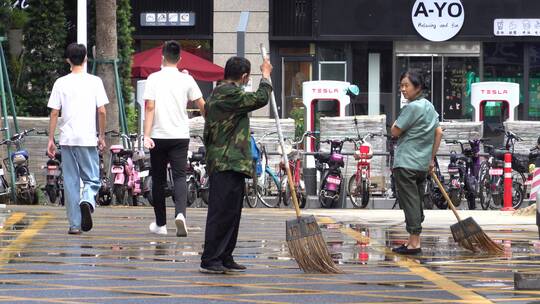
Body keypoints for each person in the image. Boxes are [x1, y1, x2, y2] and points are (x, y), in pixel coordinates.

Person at [200, 56, 273, 274]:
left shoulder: (224, 92)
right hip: (225, 162)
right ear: (244, 77)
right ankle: (211, 258)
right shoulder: (228, 94)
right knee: (221, 212)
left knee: (231, 213)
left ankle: (225, 255)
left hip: (232, 163)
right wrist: (266, 74)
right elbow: (260, 98)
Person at [143, 41, 205, 237]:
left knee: (159, 179)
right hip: (180, 135)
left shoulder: (153, 78)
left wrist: (146, 134)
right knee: (179, 176)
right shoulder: (187, 79)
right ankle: (181, 215)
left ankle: (161, 224)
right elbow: (201, 104)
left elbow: (150, 108)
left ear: (162, 56)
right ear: (180, 59)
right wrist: (210, 122)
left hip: (158, 136)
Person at [47, 43, 108, 235]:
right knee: (92, 179)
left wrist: (51, 139)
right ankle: (88, 200)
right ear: (86, 58)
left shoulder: (60, 83)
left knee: (71, 182)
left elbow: (55, 112)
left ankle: (74, 225)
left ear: (68, 60)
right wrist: (102, 135)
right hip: (87, 138)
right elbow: (102, 110)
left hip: (67, 139)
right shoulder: (95, 81)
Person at [391, 70, 443, 254]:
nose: (403, 89)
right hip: (421, 164)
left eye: (406, 85)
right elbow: (439, 132)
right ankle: (411, 240)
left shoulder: (411, 108)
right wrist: (431, 159)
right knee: (416, 201)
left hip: (406, 163)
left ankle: (415, 243)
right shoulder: (429, 106)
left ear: (418, 87)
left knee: (410, 202)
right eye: (401, 85)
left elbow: (394, 131)